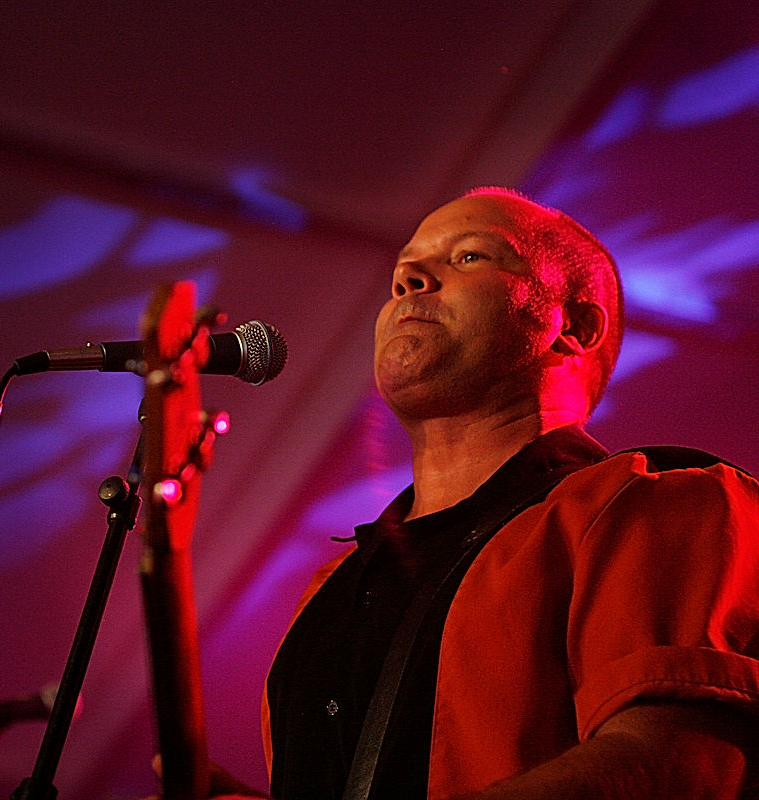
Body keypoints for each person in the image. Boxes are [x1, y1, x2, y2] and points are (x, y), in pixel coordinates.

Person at [198, 188, 759, 799]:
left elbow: (680, 769)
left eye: (467, 257)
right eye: (401, 274)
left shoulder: (656, 503)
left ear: (572, 324)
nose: (410, 278)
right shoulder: (330, 587)